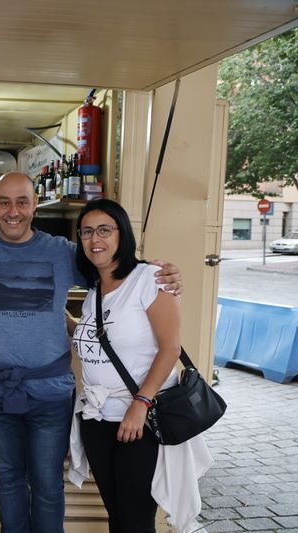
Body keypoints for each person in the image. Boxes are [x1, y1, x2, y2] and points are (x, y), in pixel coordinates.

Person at [0, 171, 183, 533]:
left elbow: (119, 272)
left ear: (34, 204)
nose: (13, 211)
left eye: (22, 202)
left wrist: (160, 274)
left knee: (47, 482)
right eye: (4, 202)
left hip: (52, 391)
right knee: (7, 476)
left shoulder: (63, 252)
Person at [68, 198, 211, 533]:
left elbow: (169, 348)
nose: (94, 239)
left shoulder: (150, 279)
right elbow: (94, 335)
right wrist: (52, 316)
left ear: (123, 234)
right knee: (117, 514)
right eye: (86, 232)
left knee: (136, 519)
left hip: (139, 419)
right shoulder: (95, 290)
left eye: (104, 230)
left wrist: (141, 403)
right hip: (97, 417)